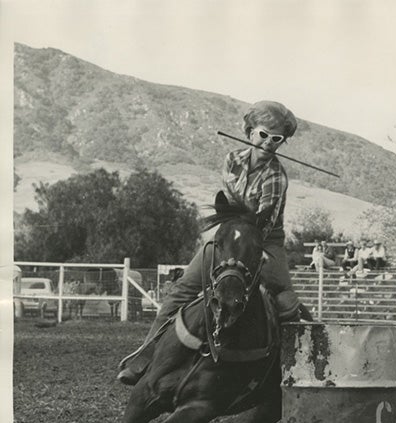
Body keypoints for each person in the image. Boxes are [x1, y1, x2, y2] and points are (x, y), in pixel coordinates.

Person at [118, 100, 309, 385]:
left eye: (276, 139)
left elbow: (264, 221)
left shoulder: (276, 177)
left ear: (282, 143)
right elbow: (228, 207)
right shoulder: (231, 160)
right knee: (182, 291)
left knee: (286, 303)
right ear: (249, 132)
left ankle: (295, 372)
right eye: (263, 135)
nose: (269, 143)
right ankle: (147, 355)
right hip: (232, 234)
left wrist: (247, 237)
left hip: (265, 241)